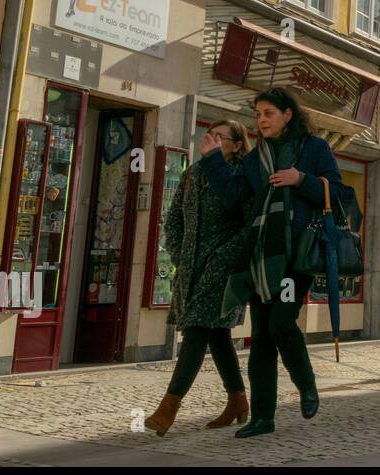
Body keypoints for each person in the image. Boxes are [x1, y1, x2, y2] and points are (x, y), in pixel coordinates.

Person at [198, 88, 342, 438]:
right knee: (260, 337)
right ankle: (262, 418)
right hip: (262, 256)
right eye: (258, 113)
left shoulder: (314, 148)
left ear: (287, 115)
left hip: (297, 255)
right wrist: (214, 159)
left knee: (281, 322)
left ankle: (306, 384)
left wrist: (302, 180)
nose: (261, 119)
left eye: (269, 113)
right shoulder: (254, 159)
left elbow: (338, 194)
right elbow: (234, 199)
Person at [144, 120, 251, 436]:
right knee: (216, 335)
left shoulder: (242, 177)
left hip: (223, 270)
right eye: (209, 135)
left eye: (220, 136)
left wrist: (223, 258)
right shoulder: (192, 174)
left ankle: (168, 409)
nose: (212, 140)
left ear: (236, 145)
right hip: (190, 268)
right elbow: (173, 219)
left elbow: (248, 227)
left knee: (195, 332)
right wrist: (178, 252)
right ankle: (238, 400)